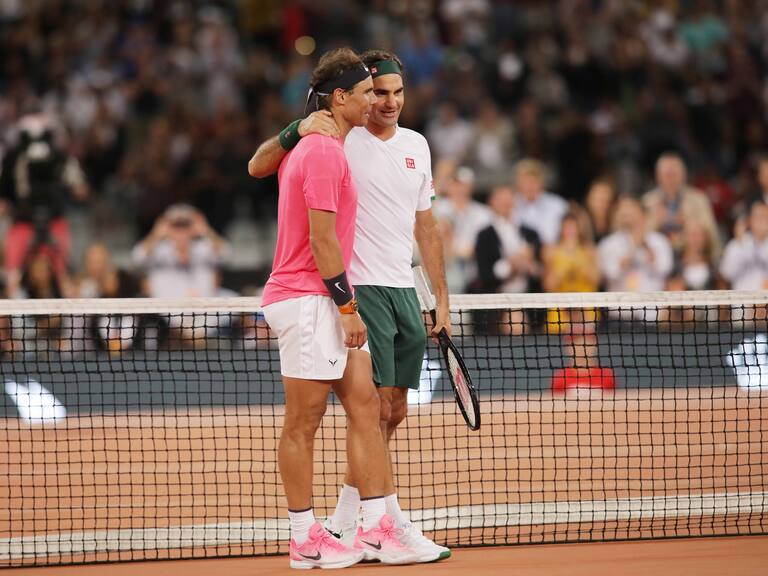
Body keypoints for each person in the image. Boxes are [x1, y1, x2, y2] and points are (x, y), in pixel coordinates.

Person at [249, 49, 451, 563]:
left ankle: (375, 524)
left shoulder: (370, 144)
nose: (380, 103)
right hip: (318, 295)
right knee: (306, 419)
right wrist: (346, 307)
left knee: (370, 408)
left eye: (391, 93)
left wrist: (438, 295)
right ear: (343, 97)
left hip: (344, 295)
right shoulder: (323, 147)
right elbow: (320, 239)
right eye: (369, 92)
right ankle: (308, 535)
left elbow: (424, 225)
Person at [0, 113, 88, 297]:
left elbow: (80, 190)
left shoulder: (61, 158)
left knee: (62, 274)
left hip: (54, 222)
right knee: (12, 276)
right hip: (22, 223)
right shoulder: (12, 159)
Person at [641, 152, 720, 257]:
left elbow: (711, 234)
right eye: (667, 175)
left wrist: (687, 222)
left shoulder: (699, 200)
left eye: (675, 174)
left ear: (684, 175)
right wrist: (656, 221)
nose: (671, 179)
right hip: (656, 257)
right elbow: (638, 236)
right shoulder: (647, 201)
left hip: (690, 257)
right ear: (658, 176)